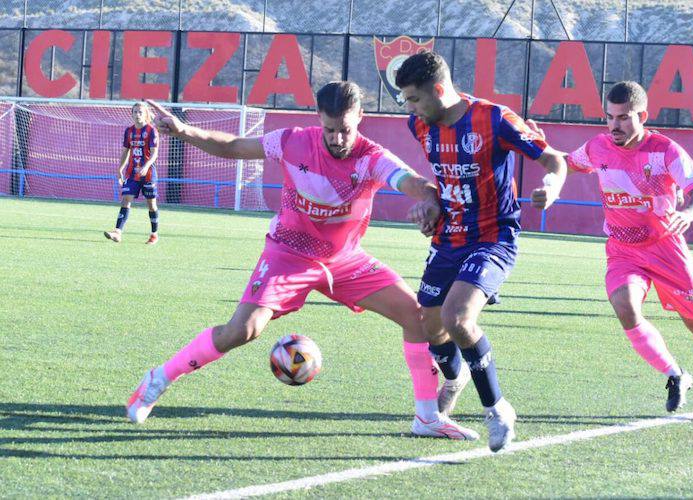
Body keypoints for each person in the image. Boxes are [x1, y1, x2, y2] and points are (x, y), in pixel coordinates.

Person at [125, 81, 479, 441]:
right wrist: (184, 131)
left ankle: (427, 418)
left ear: (360, 117)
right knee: (242, 331)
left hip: (345, 261)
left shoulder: (372, 157)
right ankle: (160, 378)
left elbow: (414, 183)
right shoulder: (292, 141)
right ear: (318, 119)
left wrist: (430, 201)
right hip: (288, 254)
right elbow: (232, 146)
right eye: (330, 129)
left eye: (345, 129)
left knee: (416, 317)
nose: (338, 139)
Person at [537, 81, 693, 422]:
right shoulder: (598, 147)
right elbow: (568, 162)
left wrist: (686, 213)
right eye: (609, 117)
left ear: (642, 116)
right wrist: (538, 146)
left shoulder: (665, 150)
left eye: (623, 118)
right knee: (624, 305)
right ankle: (675, 374)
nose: (614, 125)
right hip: (623, 250)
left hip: (666, 249)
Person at [395, 52, 568, 451]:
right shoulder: (419, 124)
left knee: (458, 318)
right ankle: (453, 378)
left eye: (415, 99)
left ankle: (498, 409)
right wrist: (431, 205)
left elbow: (552, 158)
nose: (411, 108)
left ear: (439, 90)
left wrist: (553, 187)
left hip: (493, 236)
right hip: (447, 236)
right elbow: (444, 180)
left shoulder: (494, 119)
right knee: (430, 326)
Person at [104, 102, 160, 245]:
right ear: (131, 114)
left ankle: (154, 234)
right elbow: (125, 152)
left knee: (151, 205)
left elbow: (154, 154)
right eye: (135, 112)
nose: (137, 115)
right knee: (125, 199)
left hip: (148, 174)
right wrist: (120, 169)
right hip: (132, 173)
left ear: (146, 114)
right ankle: (117, 232)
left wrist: (146, 166)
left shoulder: (151, 130)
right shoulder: (129, 131)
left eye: (140, 112)